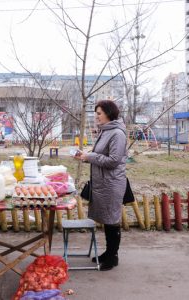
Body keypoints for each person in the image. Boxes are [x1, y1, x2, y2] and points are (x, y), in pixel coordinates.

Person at [74, 100, 127, 271]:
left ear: (108, 114)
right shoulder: (106, 131)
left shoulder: (117, 134)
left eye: (99, 113)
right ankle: (109, 252)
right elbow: (100, 154)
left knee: (112, 220)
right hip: (103, 183)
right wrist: (85, 155)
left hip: (111, 184)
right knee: (106, 219)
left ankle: (113, 257)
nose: (96, 116)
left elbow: (113, 160)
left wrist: (89, 157)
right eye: (96, 113)